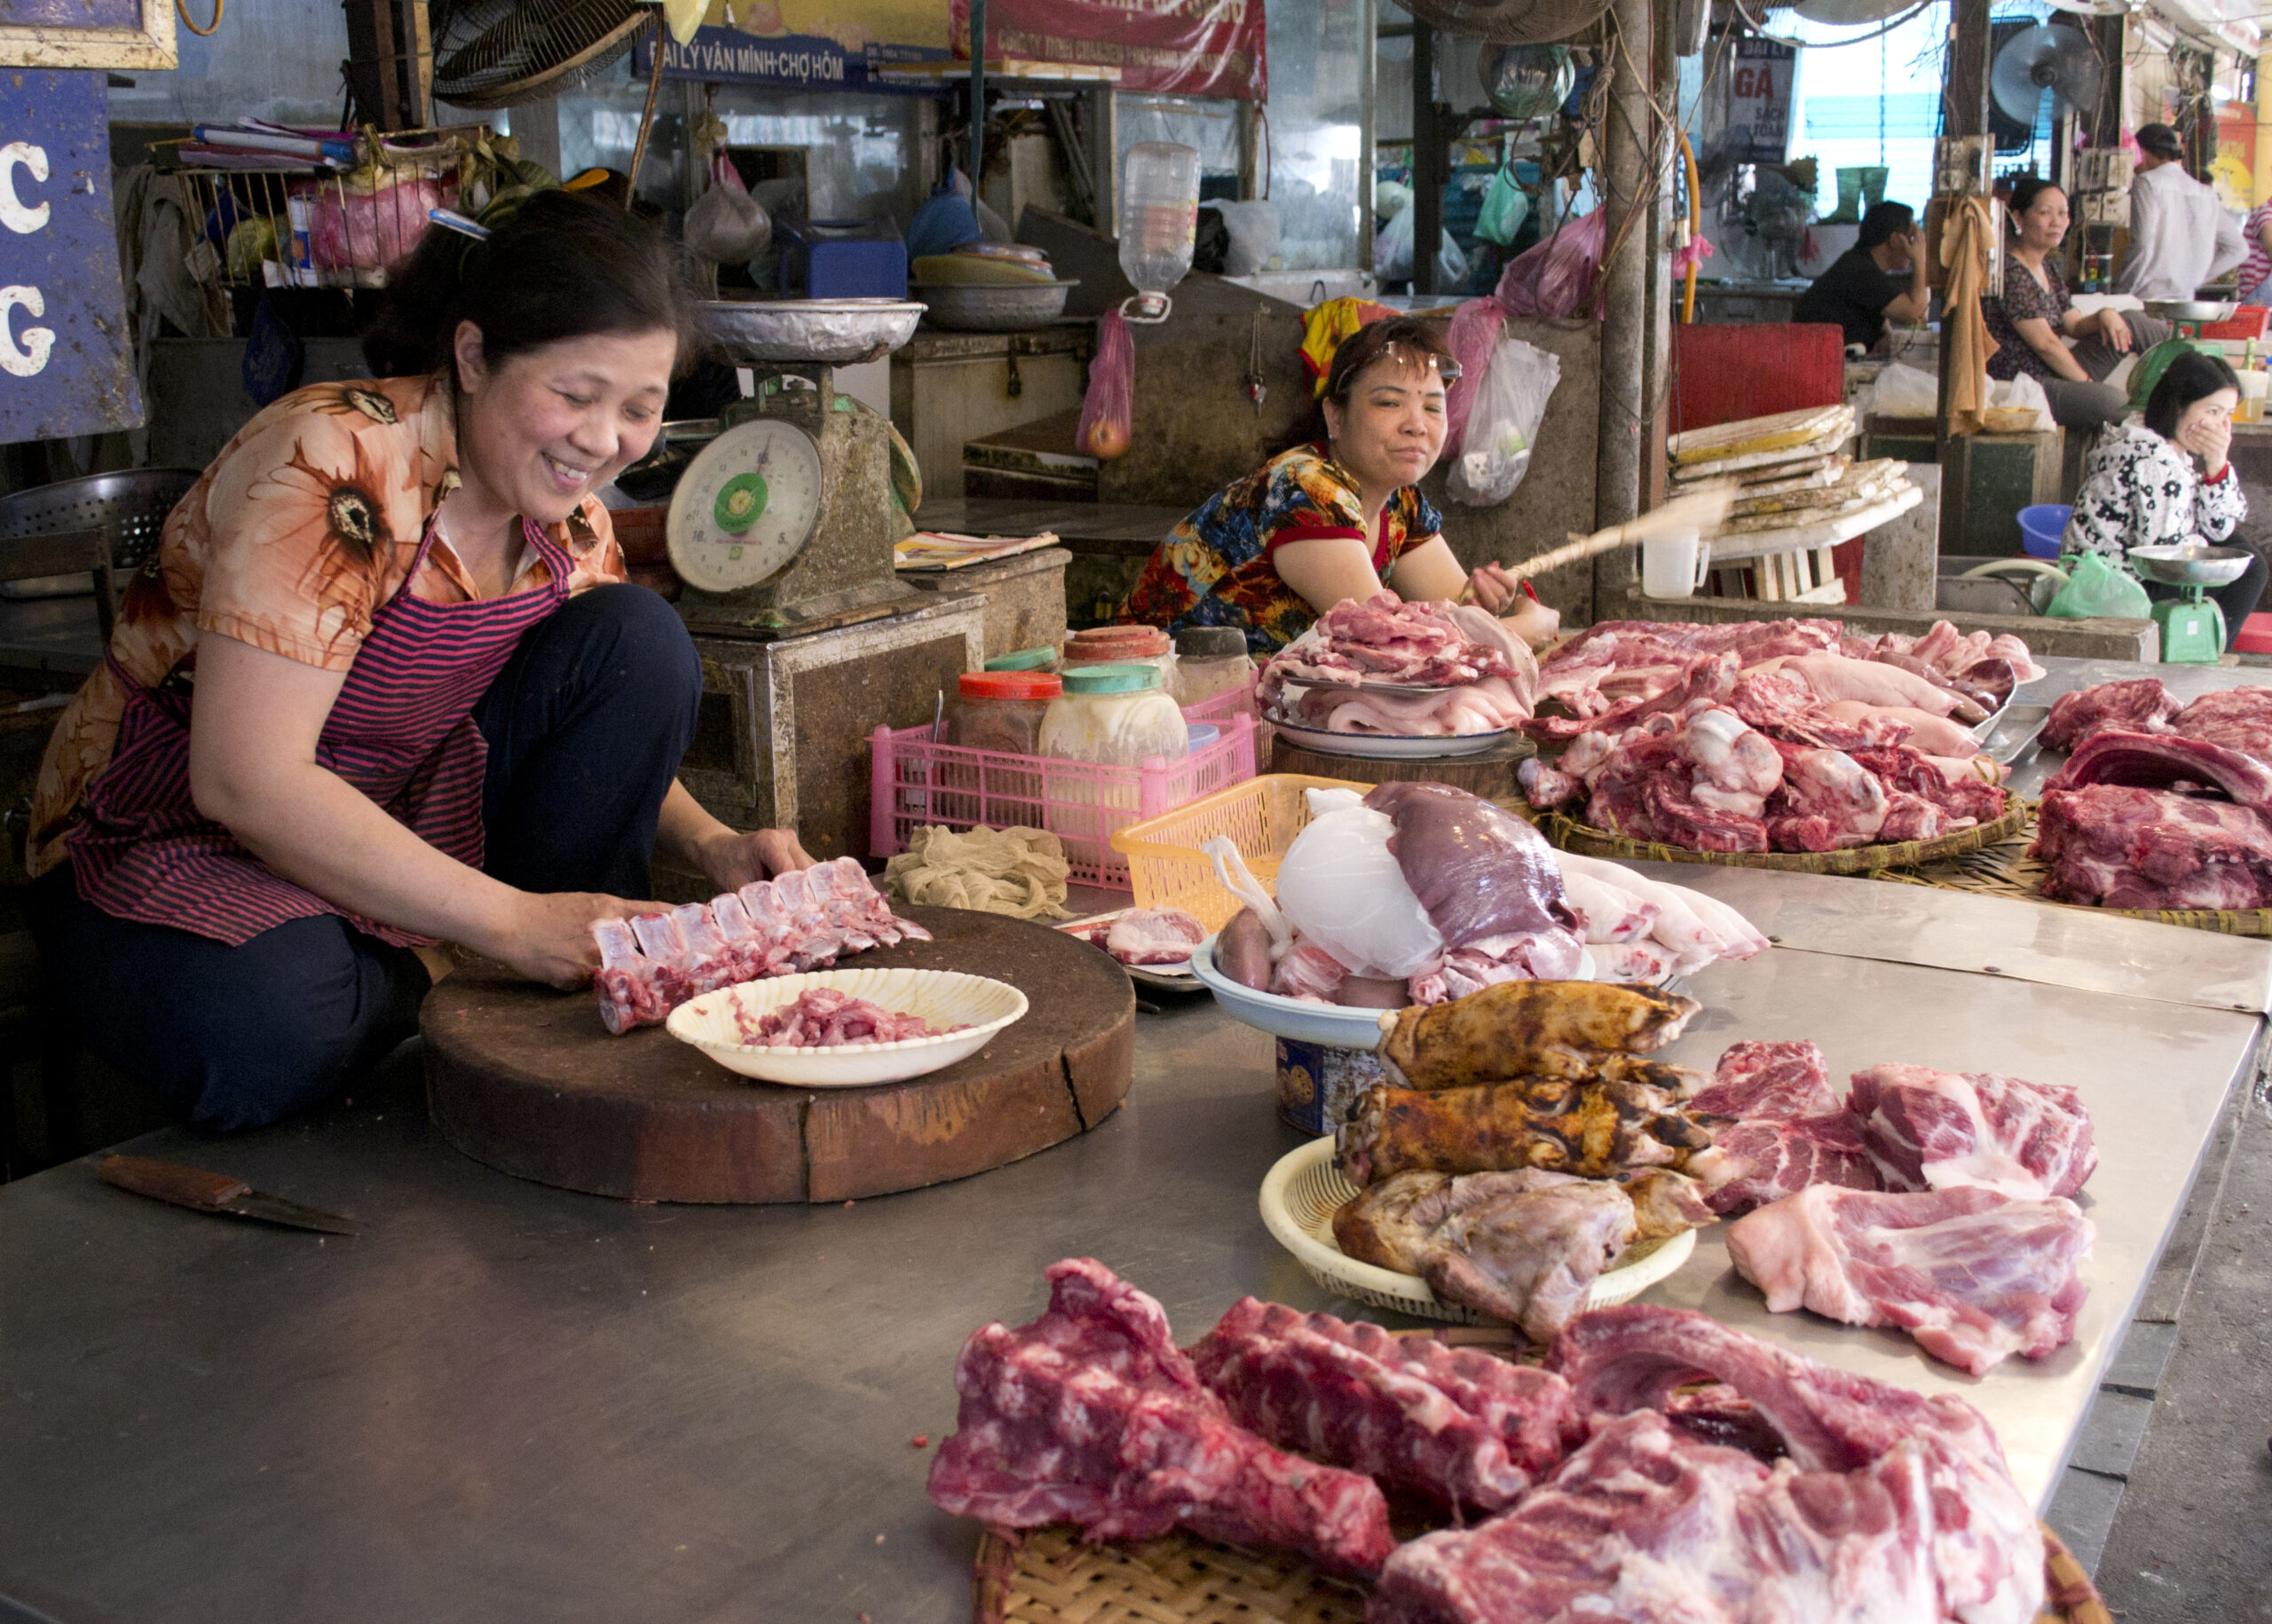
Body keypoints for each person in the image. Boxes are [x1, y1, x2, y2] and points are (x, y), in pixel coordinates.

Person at [24, 190, 816, 1131]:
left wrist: (713, 844)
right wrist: (511, 925)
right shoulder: (331, 465)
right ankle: (460, 977)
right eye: (573, 395)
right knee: (281, 1018)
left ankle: (463, 971)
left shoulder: (569, 516)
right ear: (474, 356)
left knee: (636, 642)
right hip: (160, 844)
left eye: (639, 410)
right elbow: (244, 782)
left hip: (397, 817)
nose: (603, 442)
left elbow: (607, 711)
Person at [1119, 317, 1558, 655]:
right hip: (1156, 699)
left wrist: (1482, 607)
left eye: (1433, 407)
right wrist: (1522, 631)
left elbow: (1455, 613)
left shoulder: (1401, 502)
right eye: (1390, 403)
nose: (1417, 426)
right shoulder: (1305, 489)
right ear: (1335, 416)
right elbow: (1389, 644)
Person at [2062, 350, 2264, 630]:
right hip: (2114, 590)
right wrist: (2209, 550)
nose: (2221, 427)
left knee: (2237, 547)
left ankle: (2200, 648)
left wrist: (2217, 464)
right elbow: (2163, 554)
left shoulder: (2157, 441)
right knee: (2249, 571)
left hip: (2128, 573)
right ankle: (2194, 655)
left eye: (2227, 414)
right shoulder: (2154, 463)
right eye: (2212, 412)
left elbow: (2220, 528)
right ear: (2178, 407)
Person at [1984, 177, 2173, 431]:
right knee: (2115, 403)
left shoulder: (2047, 269)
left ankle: (2196, 363)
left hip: (2053, 371)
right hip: (2028, 382)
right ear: (2018, 218)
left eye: (2063, 213)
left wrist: (2105, 315)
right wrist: (2085, 384)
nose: (2057, 221)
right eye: (2045, 212)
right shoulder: (2011, 272)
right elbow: (2046, 345)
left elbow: (2074, 325)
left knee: (2131, 321)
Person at [2115, 122, 2247, 304]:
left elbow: (2143, 243)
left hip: (2145, 300)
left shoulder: (2146, 182)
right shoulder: (2205, 193)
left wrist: (2123, 293)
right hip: (2185, 302)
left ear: (2142, 153)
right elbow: (2238, 249)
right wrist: (2192, 278)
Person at [1793, 201, 1929, 352]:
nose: (1915, 247)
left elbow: (1917, 322)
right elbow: (1915, 316)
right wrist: (1920, 259)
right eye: (1912, 239)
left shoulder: (1860, 264)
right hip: (1818, 363)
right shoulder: (1859, 271)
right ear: (1895, 240)